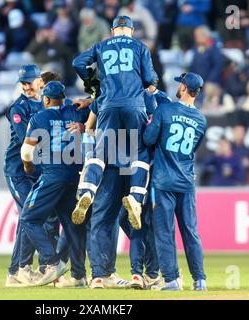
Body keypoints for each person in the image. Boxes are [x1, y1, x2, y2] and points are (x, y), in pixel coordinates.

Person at [72, 16, 158, 289]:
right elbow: (150, 81)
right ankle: (136, 195)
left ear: (111, 31)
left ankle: (99, 275)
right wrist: (147, 87)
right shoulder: (140, 48)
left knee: (101, 214)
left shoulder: (100, 47)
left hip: (108, 119)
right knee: (140, 152)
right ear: (131, 31)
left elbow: (77, 63)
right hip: (133, 111)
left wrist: (94, 80)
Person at [19, 81, 89, 286]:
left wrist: (28, 168)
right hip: (74, 175)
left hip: (53, 174)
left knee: (29, 218)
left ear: (46, 99)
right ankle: (79, 276)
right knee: (73, 225)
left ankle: (52, 262)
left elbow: (26, 151)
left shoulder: (39, 117)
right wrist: (88, 102)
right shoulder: (76, 112)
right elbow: (102, 105)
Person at [144, 72, 208, 291]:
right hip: (186, 181)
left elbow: (148, 139)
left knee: (164, 231)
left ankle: (171, 279)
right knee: (190, 231)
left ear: (183, 88)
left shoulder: (165, 110)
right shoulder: (201, 119)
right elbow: (192, 149)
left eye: (180, 84)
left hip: (163, 180)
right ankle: (199, 280)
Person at [3, 65, 57, 287]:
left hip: (36, 172)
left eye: (29, 82)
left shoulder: (45, 105)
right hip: (18, 171)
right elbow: (28, 139)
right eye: (23, 83)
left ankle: (16, 272)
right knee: (31, 215)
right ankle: (22, 269)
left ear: (40, 82)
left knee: (28, 219)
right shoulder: (19, 108)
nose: (26, 86)